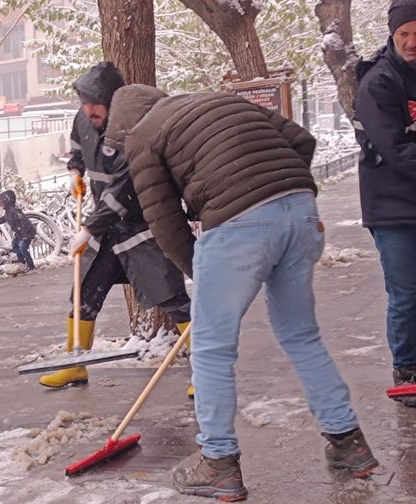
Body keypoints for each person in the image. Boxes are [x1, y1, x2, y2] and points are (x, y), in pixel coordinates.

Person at [104, 83, 378, 500]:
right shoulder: (221, 99)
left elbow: (162, 219)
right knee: (302, 336)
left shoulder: (141, 135)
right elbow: (302, 140)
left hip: (238, 227)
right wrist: (276, 188)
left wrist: (198, 263)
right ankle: (349, 443)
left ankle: (218, 463)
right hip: (301, 211)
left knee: (212, 348)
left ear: (124, 127)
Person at [39, 62, 192, 390]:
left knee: (173, 298)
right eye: (84, 102)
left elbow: (125, 190)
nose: (88, 110)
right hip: (107, 231)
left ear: (113, 102)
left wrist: (88, 229)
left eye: (95, 103)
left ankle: (207, 373)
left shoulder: (131, 128)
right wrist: (75, 172)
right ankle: (75, 364)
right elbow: (78, 148)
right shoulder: (84, 118)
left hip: (141, 227)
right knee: (83, 294)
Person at [353, 0, 416, 408]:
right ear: (392, 36)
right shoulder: (379, 82)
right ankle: (407, 368)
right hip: (393, 207)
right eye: (403, 35)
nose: (411, 43)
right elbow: (393, 147)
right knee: (407, 291)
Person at [0, 190, 36, 271]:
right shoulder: (9, 211)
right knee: (15, 245)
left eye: (2, 201)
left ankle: (31, 265)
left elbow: (24, 222)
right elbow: (4, 218)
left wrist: (25, 235)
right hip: (20, 233)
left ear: (7, 200)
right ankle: (22, 261)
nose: (0, 203)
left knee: (22, 248)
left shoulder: (14, 211)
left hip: (26, 232)